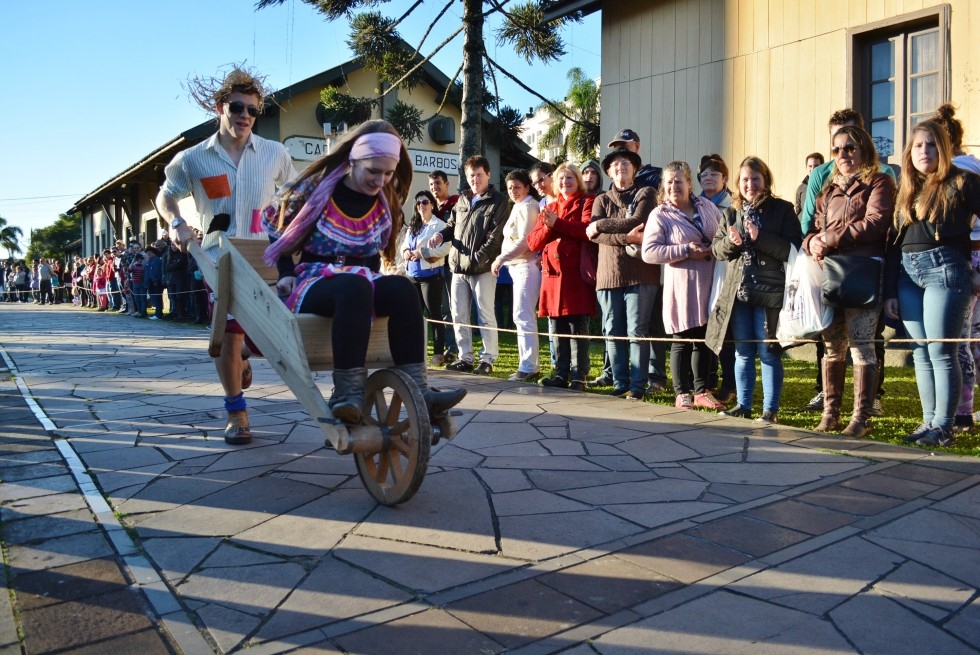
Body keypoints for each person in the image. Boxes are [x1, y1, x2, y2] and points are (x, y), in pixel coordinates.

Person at [263, 120, 465, 426]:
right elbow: (274, 221)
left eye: (387, 173)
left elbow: (372, 256)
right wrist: (286, 270)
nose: (380, 180)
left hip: (357, 282)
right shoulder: (317, 186)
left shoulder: (384, 202)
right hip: (314, 279)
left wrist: (381, 285)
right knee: (353, 287)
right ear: (354, 159)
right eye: (373, 171)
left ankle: (420, 390)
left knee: (403, 288)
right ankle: (347, 394)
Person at [155, 67, 296, 445]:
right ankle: (236, 412)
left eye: (252, 110)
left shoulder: (275, 153)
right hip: (219, 259)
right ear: (220, 107)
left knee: (266, 335)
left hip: (266, 255)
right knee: (228, 336)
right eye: (237, 107)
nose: (245, 116)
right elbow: (165, 196)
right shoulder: (193, 159)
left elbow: (294, 192)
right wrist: (176, 224)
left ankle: (246, 354)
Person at [883, 119, 980, 448]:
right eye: (919, 145)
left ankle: (944, 426)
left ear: (945, 149)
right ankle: (928, 423)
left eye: (932, 145)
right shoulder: (906, 189)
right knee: (921, 352)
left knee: (941, 351)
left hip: (947, 272)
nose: (925, 151)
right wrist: (890, 292)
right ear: (910, 152)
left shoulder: (963, 182)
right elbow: (894, 245)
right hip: (908, 277)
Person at [800, 109, 896, 416]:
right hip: (831, 274)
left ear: (864, 149)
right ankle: (831, 413)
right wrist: (811, 241)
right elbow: (813, 227)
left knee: (862, 344)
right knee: (832, 345)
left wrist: (830, 239)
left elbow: (876, 222)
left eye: (850, 148)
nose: (842, 154)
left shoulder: (880, 180)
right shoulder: (828, 188)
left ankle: (862, 416)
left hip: (863, 271)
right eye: (836, 149)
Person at [708, 157, 801, 424]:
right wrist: (731, 242)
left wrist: (761, 238)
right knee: (742, 351)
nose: (750, 184)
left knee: (768, 351)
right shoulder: (731, 213)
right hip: (738, 293)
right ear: (738, 183)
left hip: (770, 293)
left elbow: (793, 249)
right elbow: (716, 249)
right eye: (745, 180)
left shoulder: (782, 210)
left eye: (756, 179)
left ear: (766, 181)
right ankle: (743, 404)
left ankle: (770, 410)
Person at [631, 161, 723, 410]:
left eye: (678, 181)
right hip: (681, 288)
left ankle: (702, 390)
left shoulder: (708, 206)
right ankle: (682, 392)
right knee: (682, 339)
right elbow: (649, 252)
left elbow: (721, 235)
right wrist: (684, 250)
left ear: (689, 183)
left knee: (703, 339)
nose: (673, 186)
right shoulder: (660, 214)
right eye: (669, 182)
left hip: (708, 283)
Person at [586, 147, 659, 399]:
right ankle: (621, 383)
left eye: (626, 162)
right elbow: (595, 238)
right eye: (615, 164)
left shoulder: (646, 193)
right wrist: (625, 237)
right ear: (608, 171)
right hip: (608, 274)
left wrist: (600, 224)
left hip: (641, 273)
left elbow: (638, 221)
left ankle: (638, 387)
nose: (621, 167)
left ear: (635, 168)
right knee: (612, 330)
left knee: (637, 330)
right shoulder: (601, 200)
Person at [429, 156, 509, 375]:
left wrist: (476, 259)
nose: (475, 179)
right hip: (457, 268)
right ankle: (465, 357)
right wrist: (439, 235)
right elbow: (452, 225)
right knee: (458, 314)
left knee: (485, 314)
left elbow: (495, 238)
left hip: (481, 269)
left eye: (479, 175)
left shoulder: (499, 201)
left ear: (488, 175)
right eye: (471, 175)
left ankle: (488, 359)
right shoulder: (463, 199)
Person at [931, 104, 980, 433]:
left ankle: (962, 411)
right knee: (974, 338)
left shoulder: (955, 173)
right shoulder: (975, 166)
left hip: (964, 259)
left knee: (959, 340)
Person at [527, 163, 597, 390]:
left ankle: (579, 376)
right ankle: (561, 373)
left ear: (578, 181)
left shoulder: (587, 202)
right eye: (561, 179)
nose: (565, 182)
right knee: (556, 326)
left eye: (570, 178)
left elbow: (586, 231)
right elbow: (533, 242)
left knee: (578, 326)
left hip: (575, 274)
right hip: (552, 276)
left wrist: (557, 224)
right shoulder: (550, 206)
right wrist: (549, 227)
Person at [492, 169, 542, 381]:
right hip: (517, 267)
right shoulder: (519, 206)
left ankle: (529, 367)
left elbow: (525, 241)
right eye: (510, 187)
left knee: (523, 315)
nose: (513, 191)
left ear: (527, 187)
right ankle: (527, 364)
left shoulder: (529, 206)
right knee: (519, 315)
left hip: (526, 266)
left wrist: (500, 258)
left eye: (517, 187)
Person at [697, 154, 736, 403]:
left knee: (726, 329)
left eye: (715, 174)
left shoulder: (732, 206)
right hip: (700, 274)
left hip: (723, 272)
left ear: (725, 179)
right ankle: (707, 380)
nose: (709, 178)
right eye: (705, 174)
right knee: (703, 327)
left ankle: (730, 383)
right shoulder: (694, 205)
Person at [402, 189, 452, 367]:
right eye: (418, 203)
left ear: (432, 204)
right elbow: (404, 245)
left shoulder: (439, 225)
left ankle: (438, 354)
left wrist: (422, 252)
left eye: (424, 202)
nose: (421, 206)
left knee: (434, 315)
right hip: (412, 275)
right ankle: (416, 353)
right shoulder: (414, 225)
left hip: (431, 277)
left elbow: (446, 249)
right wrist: (406, 251)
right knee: (414, 315)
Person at [428, 169, 460, 362]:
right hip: (433, 266)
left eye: (438, 183)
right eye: (431, 185)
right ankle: (444, 347)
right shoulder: (430, 207)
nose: (435, 188)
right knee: (439, 308)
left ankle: (453, 348)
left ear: (447, 183)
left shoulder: (455, 204)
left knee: (452, 308)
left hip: (450, 264)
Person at [795, 153, 825, 218]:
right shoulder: (801, 188)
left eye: (816, 166)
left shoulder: (828, 187)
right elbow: (798, 211)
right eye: (810, 166)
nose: (813, 169)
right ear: (806, 167)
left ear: (822, 167)